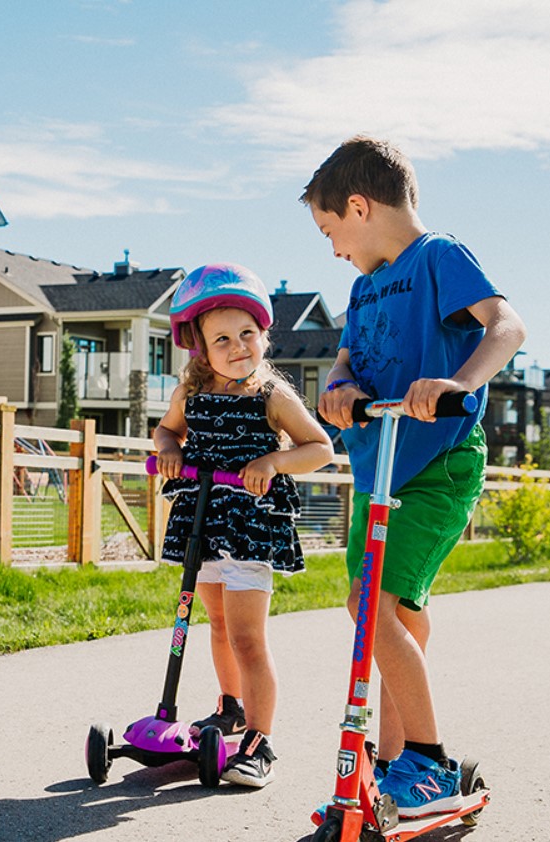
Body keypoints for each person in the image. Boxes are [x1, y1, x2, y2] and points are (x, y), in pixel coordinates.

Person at [303, 136, 527, 817]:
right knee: (392, 609)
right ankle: (400, 760)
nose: (333, 249)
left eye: (330, 231)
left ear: (358, 206)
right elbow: (345, 362)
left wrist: (455, 383)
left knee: (367, 607)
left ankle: (428, 764)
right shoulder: (363, 286)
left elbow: (507, 326)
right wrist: (337, 388)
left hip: (434, 464)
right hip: (380, 467)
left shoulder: (438, 257)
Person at [152, 263, 334, 787]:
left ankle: (260, 741)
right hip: (203, 521)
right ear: (200, 348)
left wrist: (274, 463)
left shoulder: (271, 394)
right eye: (223, 339)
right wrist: (167, 451)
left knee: (249, 637)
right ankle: (229, 709)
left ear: (263, 335)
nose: (238, 347)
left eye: (247, 335)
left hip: (251, 525)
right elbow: (166, 433)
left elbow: (319, 447)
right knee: (219, 626)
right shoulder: (190, 394)